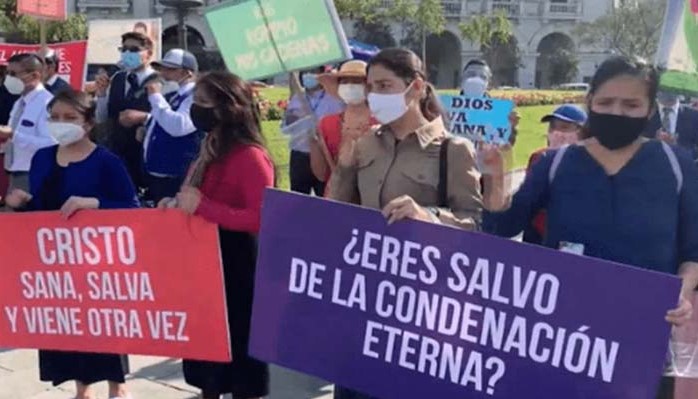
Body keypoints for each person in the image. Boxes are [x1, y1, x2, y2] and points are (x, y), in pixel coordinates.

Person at [480, 56, 698, 399]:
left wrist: (684, 292)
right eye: (606, 102)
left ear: (649, 108)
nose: (617, 113)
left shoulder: (676, 165)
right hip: (564, 334)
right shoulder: (557, 163)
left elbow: (693, 249)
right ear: (590, 102)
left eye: (631, 105)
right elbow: (502, 227)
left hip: (645, 336)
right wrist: (494, 176)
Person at [330, 48, 483, 399]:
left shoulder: (453, 149)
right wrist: (345, 167)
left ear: (415, 88)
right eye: (371, 87)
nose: (374, 96)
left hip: (421, 305)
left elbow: (475, 227)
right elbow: (338, 213)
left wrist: (427, 217)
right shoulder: (367, 143)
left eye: (385, 85)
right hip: (365, 297)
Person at [4, 89, 138, 399]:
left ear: (88, 123)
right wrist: (22, 203)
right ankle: (82, 389)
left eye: (70, 118)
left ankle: (117, 388)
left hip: (98, 265)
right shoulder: (42, 158)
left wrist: (94, 203)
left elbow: (132, 209)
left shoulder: (107, 161)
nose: (60, 124)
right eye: (54, 118)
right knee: (69, 329)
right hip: (56, 267)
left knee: (103, 328)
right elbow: (43, 208)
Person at [160, 71, 274, 399]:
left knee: (238, 349)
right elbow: (194, 196)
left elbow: (263, 218)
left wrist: (206, 207)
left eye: (203, 103)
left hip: (238, 264)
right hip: (204, 261)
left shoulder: (250, 156)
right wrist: (177, 203)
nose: (196, 109)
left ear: (228, 108)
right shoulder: (210, 148)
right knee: (207, 348)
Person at [95, 31, 157, 190]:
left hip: (147, 153)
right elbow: (103, 117)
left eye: (134, 50)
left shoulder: (160, 81)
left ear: (148, 54)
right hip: (119, 152)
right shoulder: (117, 79)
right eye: (124, 50)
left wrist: (144, 118)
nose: (128, 54)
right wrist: (101, 95)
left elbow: (171, 119)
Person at [142, 48, 202, 204]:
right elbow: (162, 119)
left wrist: (155, 96)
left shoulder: (195, 96)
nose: (164, 74)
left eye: (171, 69)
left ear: (188, 73)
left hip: (177, 174)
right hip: (160, 171)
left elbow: (179, 126)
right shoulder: (174, 96)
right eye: (162, 68)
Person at [523, 104, 587, 244]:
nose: (557, 133)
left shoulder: (590, 164)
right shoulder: (538, 157)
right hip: (536, 232)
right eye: (553, 127)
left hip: (571, 237)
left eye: (564, 127)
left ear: (582, 131)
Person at [314, 60, 377, 193]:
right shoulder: (326, 123)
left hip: (370, 197)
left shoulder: (382, 123)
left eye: (356, 81)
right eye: (344, 81)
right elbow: (321, 174)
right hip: (336, 196)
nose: (350, 86)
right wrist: (313, 143)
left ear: (368, 86)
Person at [282, 65, 344, 196]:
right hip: (300, 154)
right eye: (305, 72)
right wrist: (294, 117)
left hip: (325, 154)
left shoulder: (334, 99)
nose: (308, 75)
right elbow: (286, 125)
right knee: (298, 198)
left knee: (324, 196)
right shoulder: (298, 97)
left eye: (313, 71)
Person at [0, 53, 54, 193]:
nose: (8, 78)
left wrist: (13, 135)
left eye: (13, 74)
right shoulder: (19, 102)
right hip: (13, 172)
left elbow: (52, 144)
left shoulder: (48, 104)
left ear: (34, 76)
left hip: (33, 173)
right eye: (7, 73)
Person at [460, 59, 520, 146]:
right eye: (471, 75)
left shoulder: (498, 112)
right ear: (462, 78)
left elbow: (506, 145)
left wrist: (511, 128)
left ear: (488, 83)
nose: (476, 80)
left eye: (482, 77)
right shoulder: (444, 108)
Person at [644, 91, 698, 161]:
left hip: (682, 167)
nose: (667, 90)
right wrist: (654, 144)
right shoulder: (644, 113)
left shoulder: (694, 116)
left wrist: (677, 149)